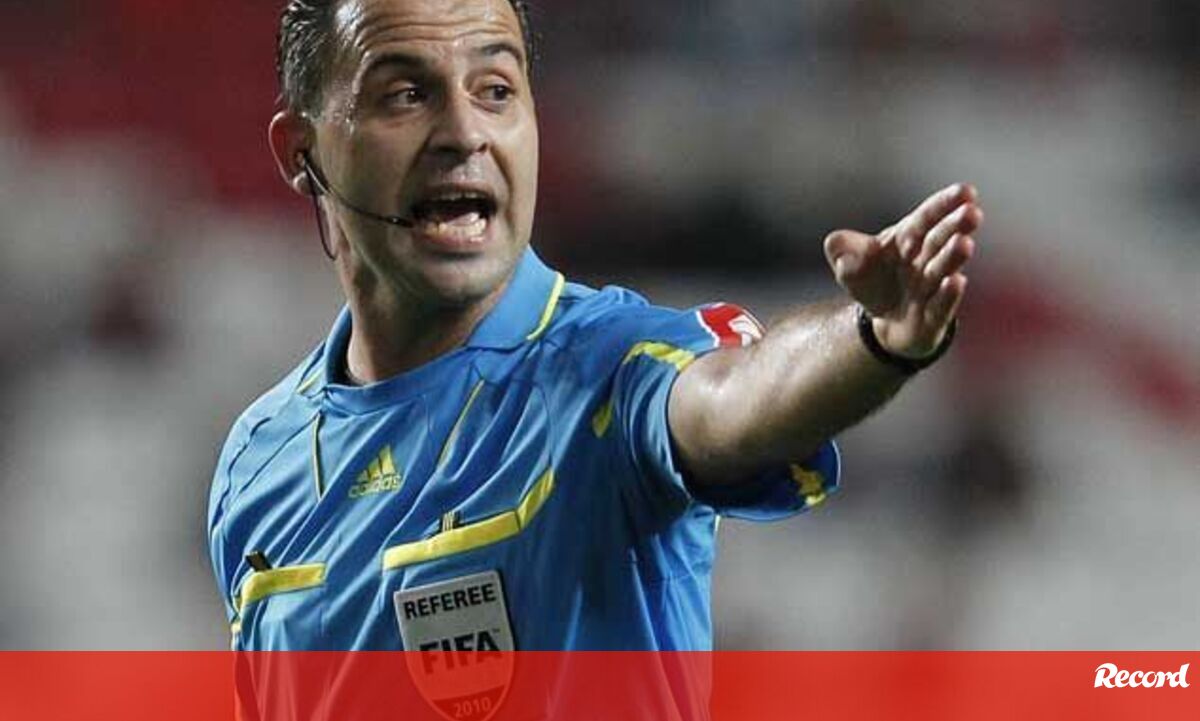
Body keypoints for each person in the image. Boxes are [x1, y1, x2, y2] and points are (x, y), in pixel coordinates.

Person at [209, 0, 982, 660]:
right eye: (407, 94)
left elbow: (733, 399)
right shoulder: (258, 461)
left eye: (496, 90)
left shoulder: (609, 368)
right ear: (301, 151)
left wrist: (875, 334)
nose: (464, 132)